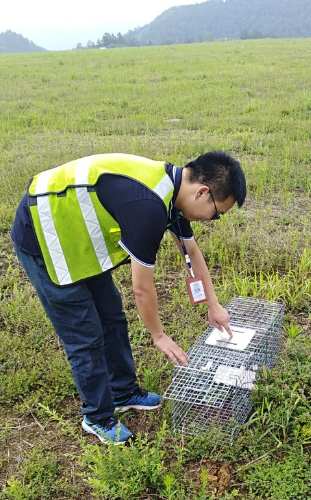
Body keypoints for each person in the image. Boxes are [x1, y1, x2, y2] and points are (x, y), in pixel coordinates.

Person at [11, 150, 246, 444]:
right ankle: (97, 417)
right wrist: (158, 336)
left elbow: (192, 252)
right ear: (202, 192)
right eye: (218, 213)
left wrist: (213, 304)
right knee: (85, 334)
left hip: (78, 239)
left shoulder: (173, 194)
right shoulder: (148, 206)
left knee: (111, 316)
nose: (212, 219)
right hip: (43, 235)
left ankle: (123, 393)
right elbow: (142, 287)